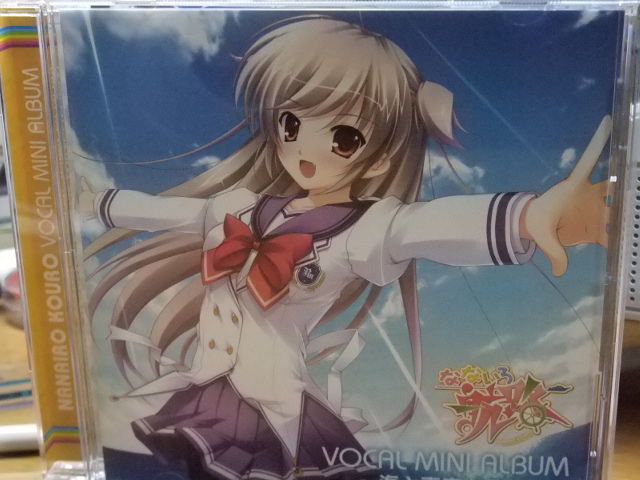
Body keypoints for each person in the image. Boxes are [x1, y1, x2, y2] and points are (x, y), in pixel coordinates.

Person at [78, 15, 610, 480]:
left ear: (379, 159)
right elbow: (166, 212)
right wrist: (94, 202)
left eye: (343, 137)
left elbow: (427, 226)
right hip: (210, 391)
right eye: (291, 123)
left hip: (277, 412)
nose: (305, 148)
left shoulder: (363, 230)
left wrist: (528, 217)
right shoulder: (235, 207)